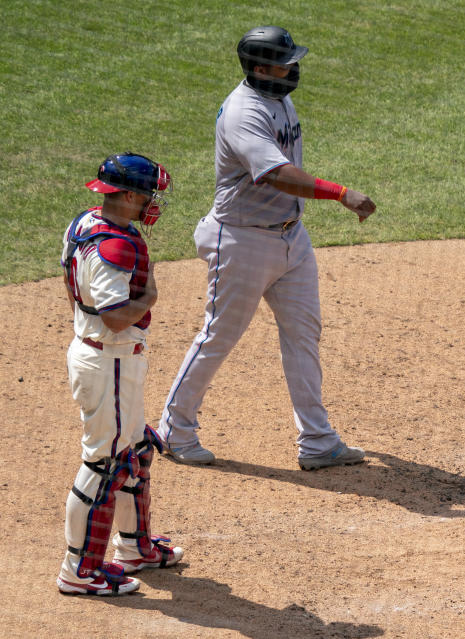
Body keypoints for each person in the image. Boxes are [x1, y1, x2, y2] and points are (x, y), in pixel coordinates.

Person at [158, 26, 376, 469]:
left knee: (304, 334)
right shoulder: (244, 111)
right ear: (260, 68)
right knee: (219, 335)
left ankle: (317, 440)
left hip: (290, 235)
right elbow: (275, 173)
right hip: (242, 238)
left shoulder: (277, 95)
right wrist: (340, 193)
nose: (294, 67)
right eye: (285, 61)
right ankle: (173, 429)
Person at [58, 153, 184, 595]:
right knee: (104, 463)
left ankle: (134, 547)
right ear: (129, 195)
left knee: (136, 450)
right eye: (148, 194)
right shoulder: (115, 247)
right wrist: (149, 297)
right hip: (108, 358)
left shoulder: (84, 224)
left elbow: (71, 291)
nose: (152, 202)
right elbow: (114, 316)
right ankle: (80, 570)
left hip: (104, 355)